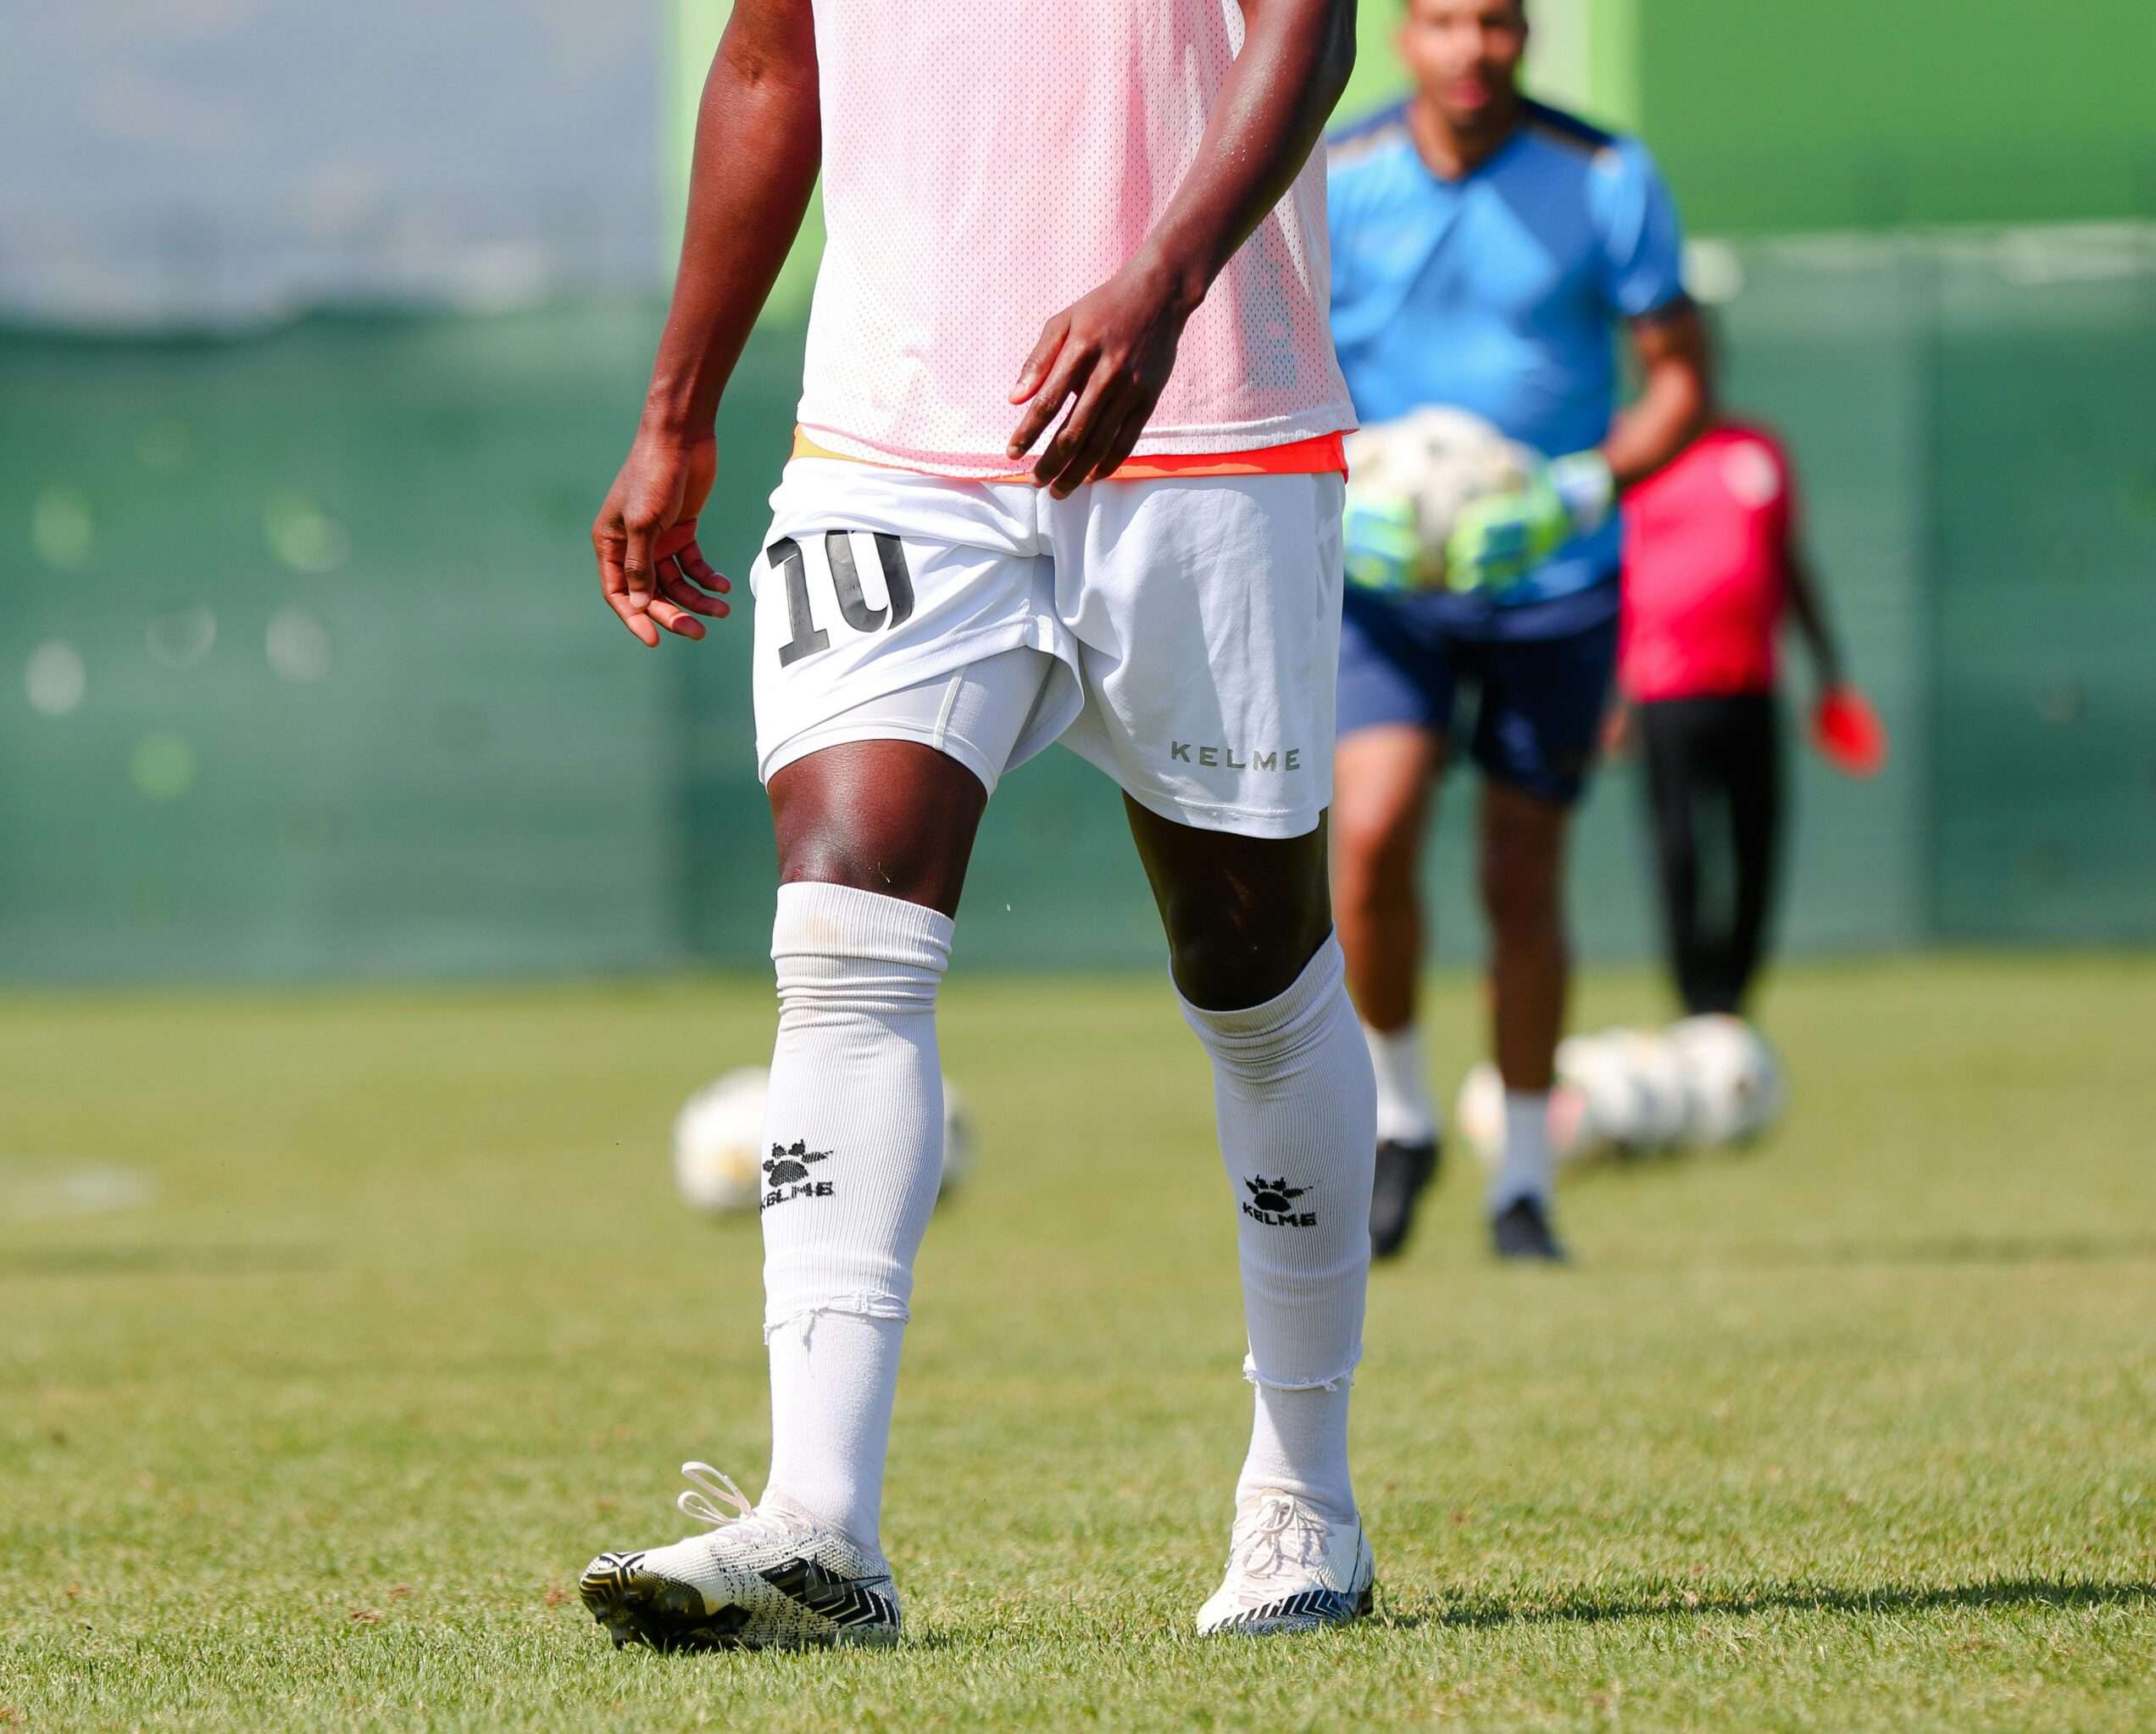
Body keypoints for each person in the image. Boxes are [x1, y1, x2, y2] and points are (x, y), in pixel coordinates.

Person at [575, 0, 1378, 1651]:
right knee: (845, 915)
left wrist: (1161, 283)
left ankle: (1303, 1498)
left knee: (1250, 967)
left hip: (1206, 421)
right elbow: (768, 60)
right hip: (892, 440)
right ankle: (820, 1524)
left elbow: (1307, 28)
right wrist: (679, 404)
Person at [1324, 0, 1709, 1264]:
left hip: (1558, 579)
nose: (1469, 48)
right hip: (1383, 584)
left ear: (1526, 35)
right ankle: (1398, 1118)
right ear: (1402, 37)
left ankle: (1525, 1182)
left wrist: (1573, 492)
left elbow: (1680, 383)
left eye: (1495, 21)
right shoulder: (1337, 176)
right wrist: (1349, 485)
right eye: (1442, 20)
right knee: (1370, 837)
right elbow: (1263, 364)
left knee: (1519, 868)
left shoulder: (1607, 176)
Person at [1614, 413, 1846, 1019]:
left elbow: (1791, 563)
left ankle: (1734, 1003)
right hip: (1666, 692)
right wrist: (1608, 692)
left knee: (1757, 850)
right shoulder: (1630, 452)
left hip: (1753, 687)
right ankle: (1696, 1003)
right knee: (1681, 850)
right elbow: (1604, 573)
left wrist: (1829, 673)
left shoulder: (1759, 451)